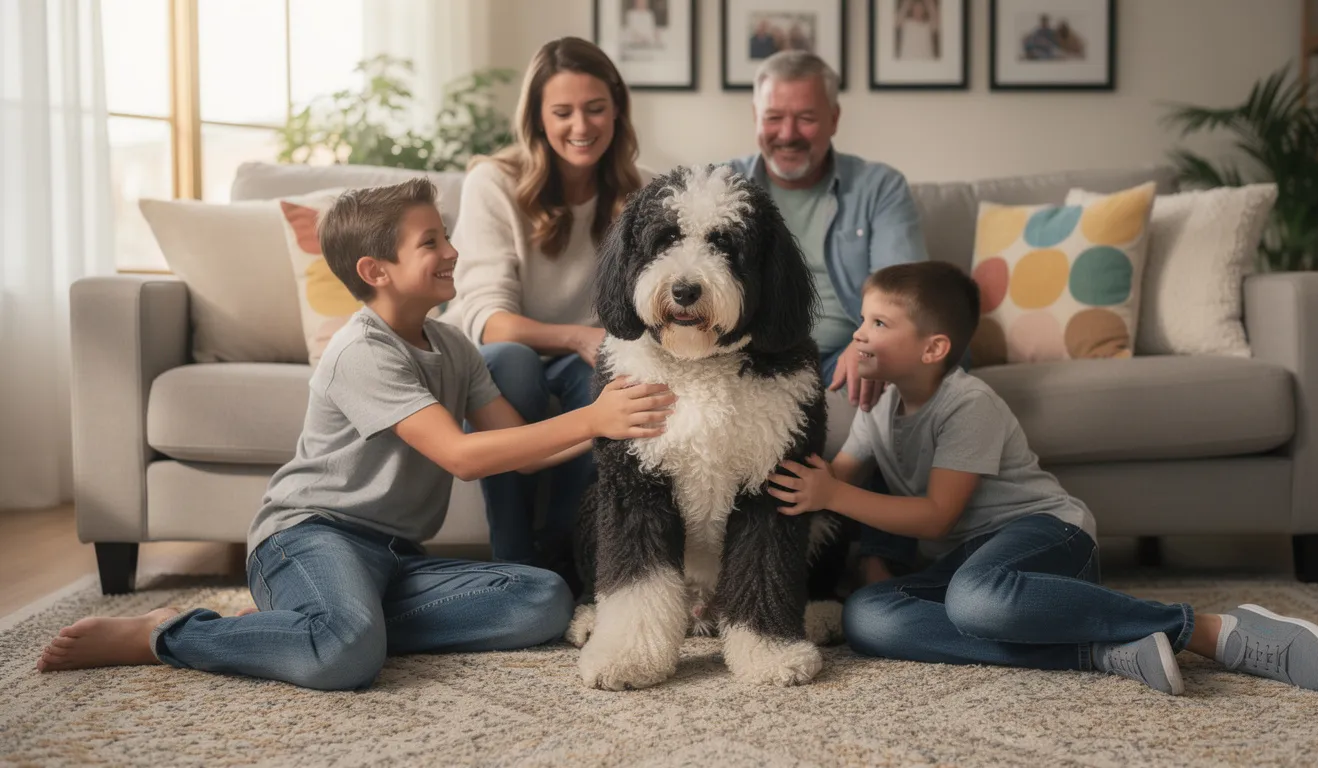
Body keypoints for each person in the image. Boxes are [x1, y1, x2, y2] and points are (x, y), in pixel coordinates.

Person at [35, 179, 676, 690]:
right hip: (310, 537)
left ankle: (309, 623)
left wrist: (624, 426)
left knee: (542, 600)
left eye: (445, 235)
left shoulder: (452, 344)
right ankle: (167, 633)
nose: (452, 251)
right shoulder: (361, 351)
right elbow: (462, 457)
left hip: (394, 557)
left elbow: (523, 453)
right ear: (377, 270)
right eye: (431, 242)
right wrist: (592, 418)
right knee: (345, 657)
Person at [767, 261, 1318, 696]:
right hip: (973, 564)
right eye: (863, 319)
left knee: (975, 601)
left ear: (933, 348)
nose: (859, 335)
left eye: (878, 322)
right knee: (868, 615)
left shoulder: (968, 403)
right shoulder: (878, 406)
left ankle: (1209, 631)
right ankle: (1102, 650)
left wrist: (835, 493)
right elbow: (830, 483)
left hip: (1045, 536)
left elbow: (935, 515)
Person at [447, 37, 652, 592]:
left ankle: (567, 554)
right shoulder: (494, 181)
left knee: (607, 374)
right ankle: (513, 558)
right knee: (508, 361)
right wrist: (579, 335)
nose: (580, 126)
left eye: (595, 108)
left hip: (589, 359)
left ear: (616, 110)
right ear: (538, 119)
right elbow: (489, 321)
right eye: (562, 112)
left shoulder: (643, 194)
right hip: (510, 355)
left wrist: (596, 345)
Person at [725, 49, 930, 583]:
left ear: (834, 119)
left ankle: (880, 561)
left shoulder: (879, 187)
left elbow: (907, 295)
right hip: (753, 355)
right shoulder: (726, 190)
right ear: (756, 119)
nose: (787, 133)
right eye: (774, 117)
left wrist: (869, 349)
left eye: (806, 117)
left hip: (845, 350)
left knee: (897, 370)